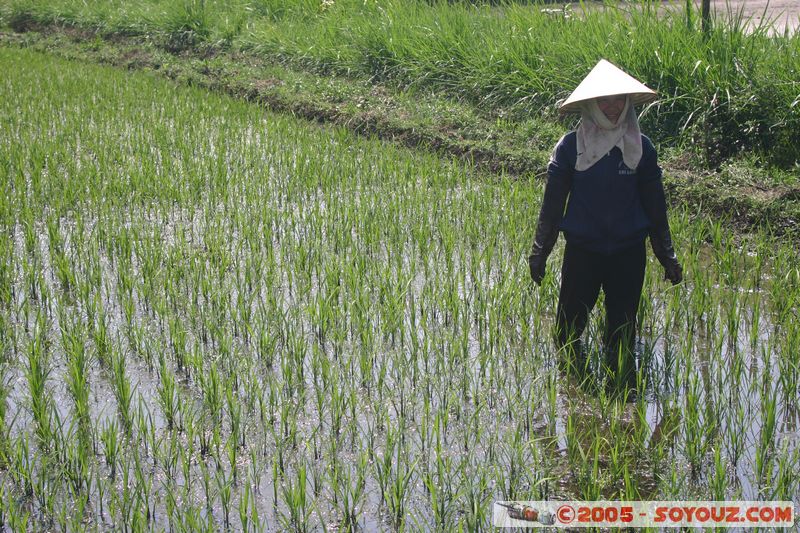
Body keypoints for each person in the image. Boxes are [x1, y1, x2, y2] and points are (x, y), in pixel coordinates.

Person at [528, 60, 682, 397]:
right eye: (604, 101)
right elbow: (552, 207)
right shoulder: (571, 147)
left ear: (628, 103)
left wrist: (666, 255)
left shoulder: (641, 147)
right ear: (590, 105)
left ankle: (621, 396)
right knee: (568, 332)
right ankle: (572, 395)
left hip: (628, 253)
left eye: (619, 100)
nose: (612, 108)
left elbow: (656, 209)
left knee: (622, 335)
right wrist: (540, 252)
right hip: (583, 251)